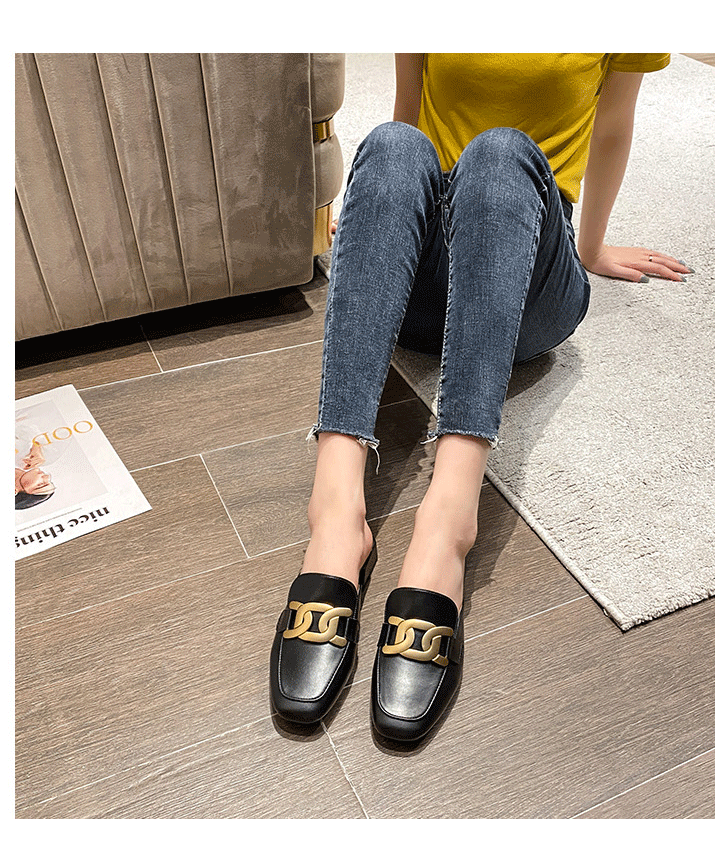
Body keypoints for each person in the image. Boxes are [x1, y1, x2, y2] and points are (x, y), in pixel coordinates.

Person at [270, 53, 689, 742]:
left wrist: (590, 249)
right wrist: (382, 208)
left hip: (529, 279)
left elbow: (613, 125)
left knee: (500, 153)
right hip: (429, 277)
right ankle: (336, 516)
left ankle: (447, 524)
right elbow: (410, 112)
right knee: (392, 146)